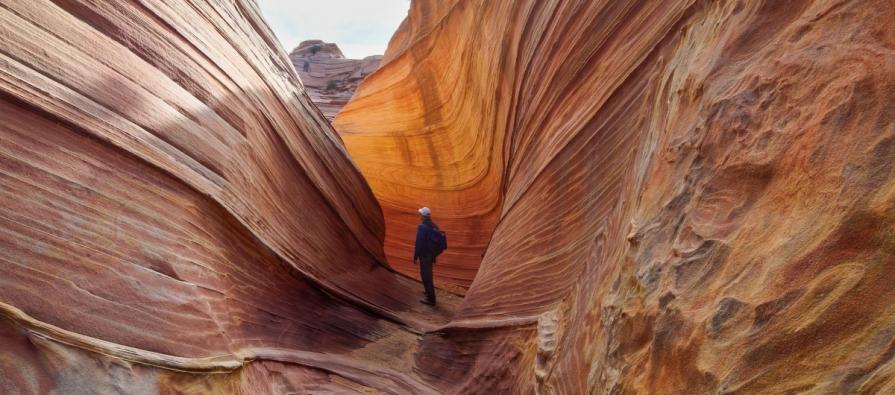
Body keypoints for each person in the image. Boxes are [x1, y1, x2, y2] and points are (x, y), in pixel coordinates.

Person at [413, 207, 440, 306]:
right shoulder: (434, 225)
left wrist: (415, 256)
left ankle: (431, 299)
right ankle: (428, 292)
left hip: (424, 255)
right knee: (428, 274)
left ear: (423, 216)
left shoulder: (422, 227)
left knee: (426, 276)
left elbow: (419, 243)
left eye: (420, 214)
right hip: (431, 255)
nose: (419, 216)